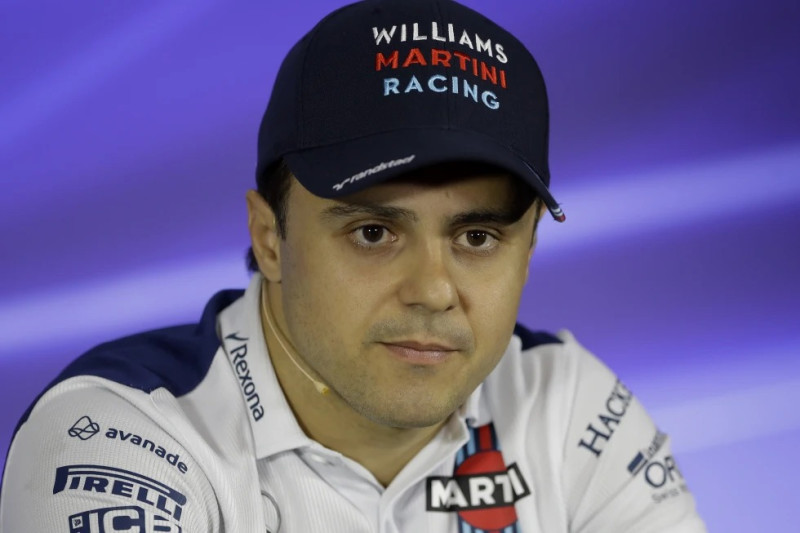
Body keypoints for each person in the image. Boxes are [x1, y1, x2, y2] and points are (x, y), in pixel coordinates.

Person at [0, 0, 707, 531]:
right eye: (373, 231)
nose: (433, 290)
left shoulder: (567, 404)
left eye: (478, 237)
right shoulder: (119, 432)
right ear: (269, 237)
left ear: (528, 249)